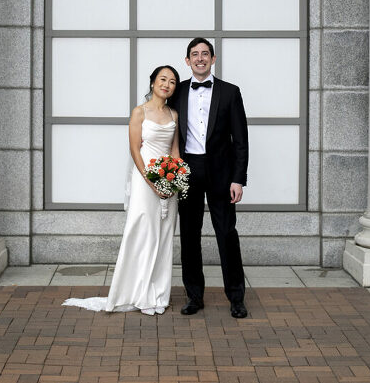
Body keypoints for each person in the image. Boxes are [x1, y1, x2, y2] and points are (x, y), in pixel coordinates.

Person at [63, 65, 180, 315]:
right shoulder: (139, 112)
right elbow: (135, 149)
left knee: (164, 236)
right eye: (162, 79)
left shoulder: (174, 115)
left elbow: (175, 151)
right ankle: (135, 292)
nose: (166, 84)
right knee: (141, 231)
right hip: (144, 178)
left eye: (171, 81)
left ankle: (157, 293)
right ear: (152, 83)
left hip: (168, 182)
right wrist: (152, 180)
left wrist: (174, 180)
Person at [175, 38, 249, 318]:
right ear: (187, 61)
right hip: (188, 171)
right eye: (195, 54)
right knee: (189, 236)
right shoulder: (178, 92)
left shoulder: (230, 92)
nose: (200, 58)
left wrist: (238, 179)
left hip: (221, 173)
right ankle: (194, 296)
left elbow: (240, 140)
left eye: (205, 54)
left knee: (227, 234)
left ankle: (236, 298)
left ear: (213, 59)